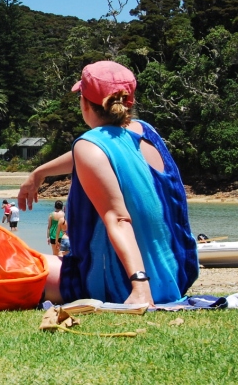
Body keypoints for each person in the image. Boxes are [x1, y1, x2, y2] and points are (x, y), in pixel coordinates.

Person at [18, 61, 198, 307]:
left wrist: (140, 288)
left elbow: (118, 218)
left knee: (20, 262)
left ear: (84, 102)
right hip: (176, 277)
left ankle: (136, 286)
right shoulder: (146, 131)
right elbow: (96, 155)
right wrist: (40, 173)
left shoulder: (89, 145)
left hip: (118, 283)